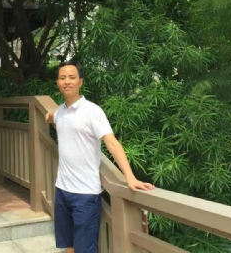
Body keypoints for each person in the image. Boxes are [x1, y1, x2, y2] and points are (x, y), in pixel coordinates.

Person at [45, 60, 155, 253]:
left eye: (72, 77)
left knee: (85, 249)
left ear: (81, 82)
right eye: (62, 78)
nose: (67, 81)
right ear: (57, 82)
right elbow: (56, 117)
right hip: (62, 189)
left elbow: (112, 143)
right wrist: (50, 115)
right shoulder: (61, 111)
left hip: (85, 194)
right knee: (68, 245)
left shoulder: (92, 111)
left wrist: (130, 177)